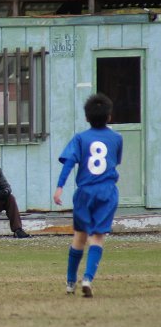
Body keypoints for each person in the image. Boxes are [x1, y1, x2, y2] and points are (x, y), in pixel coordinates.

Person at [54, 93, 122, 298]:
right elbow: (115, 161)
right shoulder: (117, 138)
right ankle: (87, 278)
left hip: (85, 192)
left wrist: (60, 187)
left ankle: (70, 282)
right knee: (97, 237)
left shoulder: (80, 138)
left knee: (80, 236)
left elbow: (68, 162)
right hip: (106, 191)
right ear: (109, 117)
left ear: (86, 117)